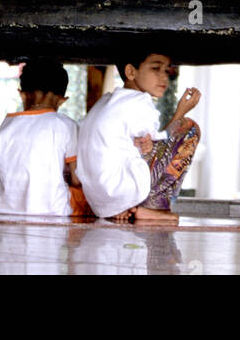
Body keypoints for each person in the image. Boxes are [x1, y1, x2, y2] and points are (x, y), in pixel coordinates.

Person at [76, 52, 201, 222]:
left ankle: (126, 205)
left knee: (144, 147)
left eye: (167, 71)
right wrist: (181, 111)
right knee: (188, 128)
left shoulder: (106, 101)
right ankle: (152, 207)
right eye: (156, 68)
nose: (164, 77)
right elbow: (165, 142)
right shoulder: (139, 101)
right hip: (121, 190)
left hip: (100, 202)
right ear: (130, 72)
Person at [0, 57, 81, 217]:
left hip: (6, 209)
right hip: (54, 209)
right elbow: (77, 178)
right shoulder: (67, 125)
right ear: (62, 101)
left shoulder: (6, 126)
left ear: (22, 95)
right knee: (90, 196)